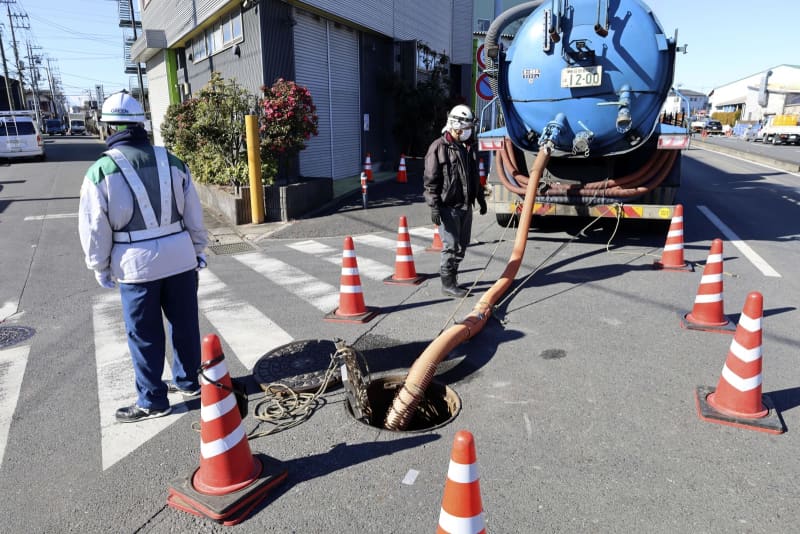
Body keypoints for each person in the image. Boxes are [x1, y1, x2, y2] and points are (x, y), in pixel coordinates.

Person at [79, 91, 208, 423]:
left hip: (136, 264)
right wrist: (198, 249)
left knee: (145, 332)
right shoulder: (172, 160)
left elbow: (95, 227)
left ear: (107, 128)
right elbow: (194, 212)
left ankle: (152, 399)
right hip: (180, 256)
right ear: (141, 124)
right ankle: (190, 381)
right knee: (184, 324)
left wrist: (100, 265)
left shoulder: (101, 170)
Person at [423, 104, 487, 298]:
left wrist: (480, 197)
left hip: (465, 206)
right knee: (451, 247)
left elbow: (473, 175)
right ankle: (448, 284)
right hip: (448, 207)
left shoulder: (466, 148)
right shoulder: (438, 148)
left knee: (463, 245)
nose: (468, 133)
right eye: (466, 129)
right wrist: (434, 206)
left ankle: (453, 278)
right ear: (455, 126)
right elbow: (430, 180)